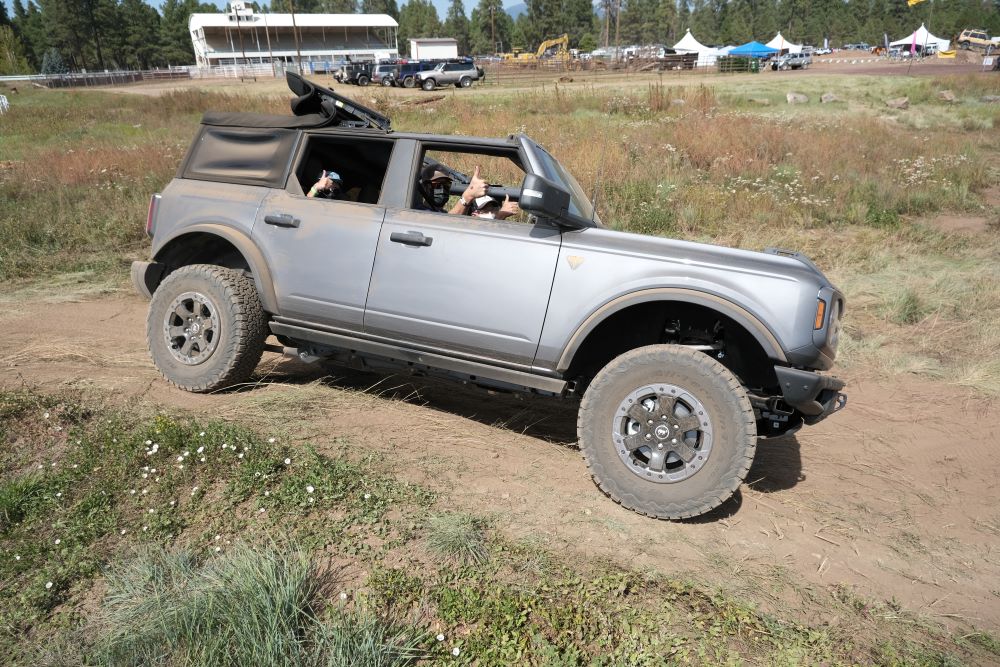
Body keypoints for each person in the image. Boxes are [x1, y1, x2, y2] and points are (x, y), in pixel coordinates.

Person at [418, 163, 487, 214]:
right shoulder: (420, 212)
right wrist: (468, 196)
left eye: (447, 184)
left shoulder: (442, 212)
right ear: (425, 186)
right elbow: (444, 224)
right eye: (438, 184)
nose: (443, 189)